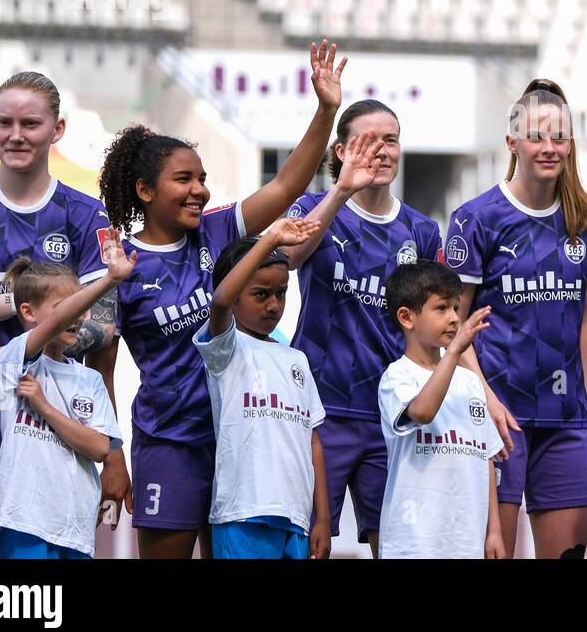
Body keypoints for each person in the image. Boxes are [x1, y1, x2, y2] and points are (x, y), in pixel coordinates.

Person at [93, 40, 349, 558]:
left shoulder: (216, 232)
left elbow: (286, 183)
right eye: (183, 179)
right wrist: (113, 454)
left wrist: (326, 110)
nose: (200, 191)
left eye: (203, 179)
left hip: (239, 442)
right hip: (171, 442)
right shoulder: (118, 268)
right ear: (144, 190)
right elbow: (101, 371)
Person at [0, 73, 115, 544]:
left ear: (57, 129)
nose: (16, 135)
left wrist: (7, 358)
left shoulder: (85, 215)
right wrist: (20, 302)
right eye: (5, 122)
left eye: (30, 123)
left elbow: (102, 325)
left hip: (48, 414)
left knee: (36, 556)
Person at [445, 78, 587, 558]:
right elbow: (453, 323)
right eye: (537, 136)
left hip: (564, 419)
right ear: (512, 141)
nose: (550, 147)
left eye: (560, 137)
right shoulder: (477, 218)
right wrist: (488, 400)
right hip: (498, 415)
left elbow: (585, 320)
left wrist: (581, 395)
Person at [281, 99, 440, 557]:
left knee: (393, 544)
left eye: (391, 140)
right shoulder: (314, 208)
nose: (383, 150)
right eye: (370, 141)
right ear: (341, 150)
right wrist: (341, 192)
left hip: (390, 412)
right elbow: (287, 259)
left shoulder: (422, 231)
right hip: (319, 410)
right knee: (310, 541)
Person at [0, 240, 133, 559]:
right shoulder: (14, 360)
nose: (80, 316)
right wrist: (110, 280)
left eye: (82, 306)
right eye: (69, 306)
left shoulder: (90, 380)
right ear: (28, 312)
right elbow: (51, 325)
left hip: (74, 525)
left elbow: (98, 448)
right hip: (24, 519)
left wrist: (45, 408)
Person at [193, 220, 331, 560]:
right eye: (260, 294)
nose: (273, 304)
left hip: (295, 518)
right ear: (237, 294)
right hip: (242, 511)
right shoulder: (226, 348)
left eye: (281, 293)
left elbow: (312, 441)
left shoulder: (296, 358)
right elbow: (220, 303)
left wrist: (323, 519)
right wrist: (271, 239)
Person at [376, 261, 505, 559]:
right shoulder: (398, 376)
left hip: (466, 541)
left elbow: (485, 456)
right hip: (413, 542)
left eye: (457, 308)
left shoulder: (471, 383)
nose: (454, 319)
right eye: (442, 308)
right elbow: (422, 411)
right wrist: (455, 351)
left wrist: (494, 530)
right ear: (407, 318)